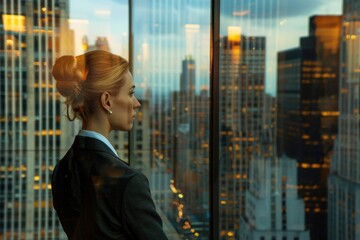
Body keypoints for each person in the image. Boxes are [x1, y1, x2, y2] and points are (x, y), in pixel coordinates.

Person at [51, 50, 168, 240]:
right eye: (130, 93)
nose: (136, 103)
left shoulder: (62, 169)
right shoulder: (129, 183)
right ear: (106, 101)